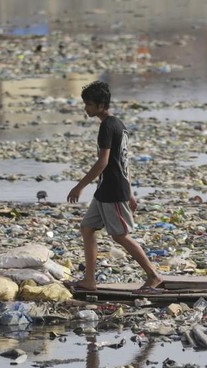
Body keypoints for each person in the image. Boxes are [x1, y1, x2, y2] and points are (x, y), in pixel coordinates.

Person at [66, 81, 163, 294]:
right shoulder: (118, 124)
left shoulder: (108, 126)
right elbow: (124, 161)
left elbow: (105, 162)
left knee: (120, 235)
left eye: (89, 104)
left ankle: (153, 275)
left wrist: (79, 187)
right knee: (87, 228)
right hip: (105, 190)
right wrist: (131, 193)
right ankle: (89, 280)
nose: (86, 108)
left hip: (112, 190)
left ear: (101, 105)